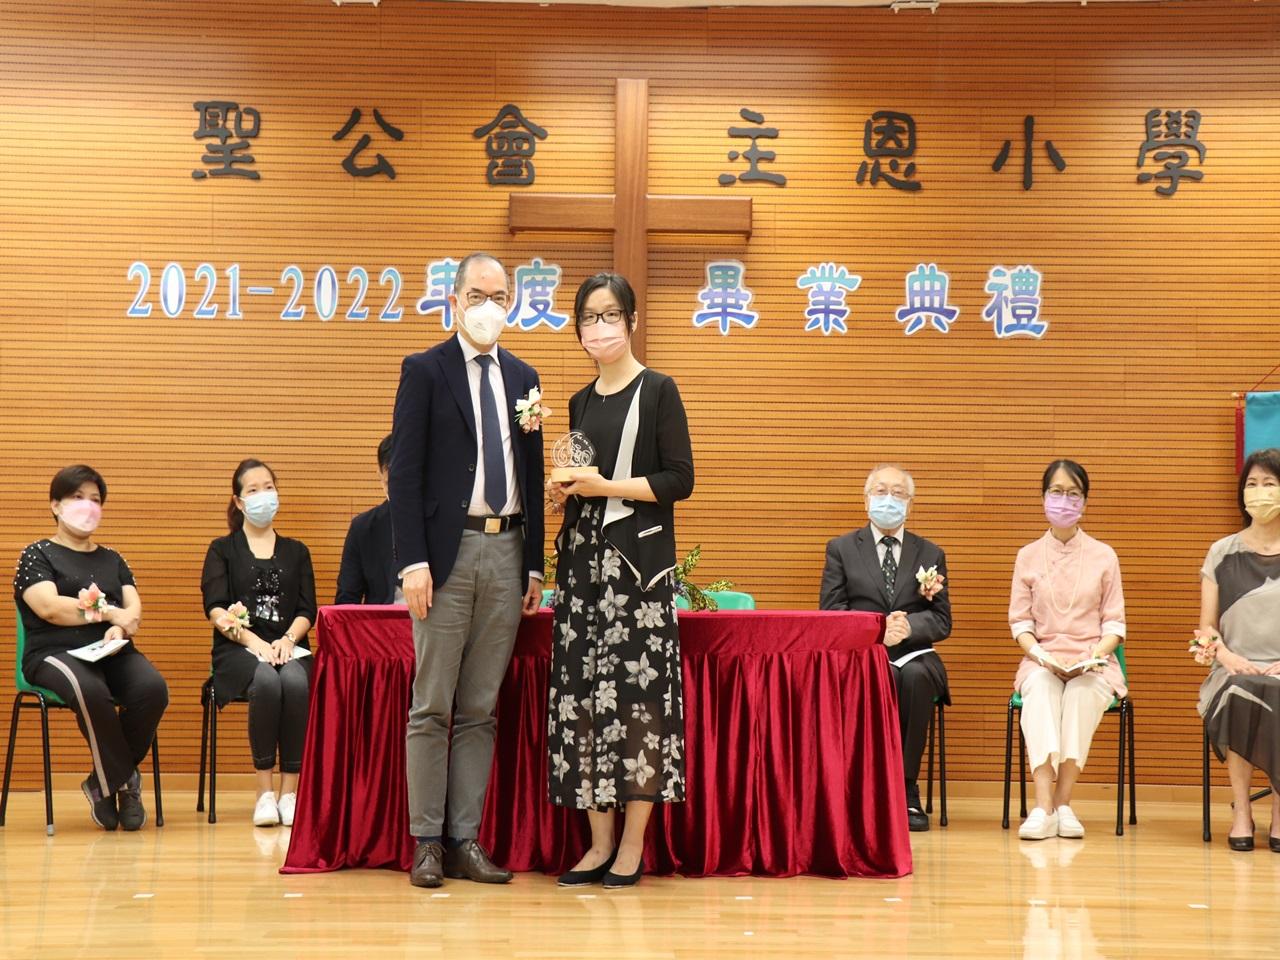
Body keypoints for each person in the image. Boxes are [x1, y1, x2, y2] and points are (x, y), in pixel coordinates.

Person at [389, 252, 545, 888]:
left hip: (507, 551)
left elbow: (532, 475)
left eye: (498, 297)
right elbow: (404, 473)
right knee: (432, 704)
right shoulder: (425, 370)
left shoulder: (525, 376)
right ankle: (426, 841)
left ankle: (464, 839)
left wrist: (535, 565)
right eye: (476, 296)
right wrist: (412, 562)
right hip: (444, 555)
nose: (488, 307)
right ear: (453, 302)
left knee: (481, 706)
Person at [546, 272, 694, 890]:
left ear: (632, 320)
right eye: (589, 317)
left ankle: (632, 845)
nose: (599, 327)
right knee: (582, 701)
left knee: (638, 702)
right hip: (583, 570)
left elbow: (679, 479)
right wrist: (565, 495)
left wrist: (604, 486)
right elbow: (583, 480)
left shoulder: (658, 389)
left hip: (637, 573)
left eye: (610, 315)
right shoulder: (580, 401)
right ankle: (598, 842)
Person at [13, 464, 168, 831]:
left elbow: (133, 609)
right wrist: (110, 613)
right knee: (90, 690)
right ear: (55, 505)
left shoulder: (113, 558)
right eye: (77, 497)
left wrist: (120, 625)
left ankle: (101, 782)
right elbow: (49, 607)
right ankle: (124, 783)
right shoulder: (36, 554)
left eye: (95, 499)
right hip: (53, 653)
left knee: (152, 689)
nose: (87, 505)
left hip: (110, 651)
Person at [819, 463, 951, 832]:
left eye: (898, 493)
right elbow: (830, 612)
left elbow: (942, 619)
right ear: (866, 500)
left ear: (910, 503)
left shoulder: (930, 552)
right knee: (885, 676)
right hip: (862, 653)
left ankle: (906, 788)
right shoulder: (841, 549)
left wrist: (908, 627)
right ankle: (868, 789)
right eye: (880, 491)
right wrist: (877, 630)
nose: (889, 499)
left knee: (916, 677)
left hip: (915, 652)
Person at [1009, 459, 1126, 841]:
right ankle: (1042, 807)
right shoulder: (1027, 555)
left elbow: (1114, 625)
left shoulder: (1104, 555)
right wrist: (1042, 657)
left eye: (1073, 494)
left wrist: (1091, 657)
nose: (1064, 500)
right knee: (1041, 692)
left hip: (1093, 660)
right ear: (1043, 497)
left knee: (1080, 695)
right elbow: (1021, 624)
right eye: (1056, 492)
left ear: (1084, 502)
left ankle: (1062, 803)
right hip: (1042, 659)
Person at [201, 459, 316, 828]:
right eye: (253, 490)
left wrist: (287, 639)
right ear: (239, 501)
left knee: (295, 681)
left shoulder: (297, 551)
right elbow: (216, 609)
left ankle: (290, 793)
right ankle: (264, 792)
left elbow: (307, 609)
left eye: (268, 487)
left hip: (290, 646)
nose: (263, 495)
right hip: (238, 649)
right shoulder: (222, 549)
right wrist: (254, 643)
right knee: (266, 679)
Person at [1194, 447, 1280, 851]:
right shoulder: (1221, 552)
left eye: (1270, 483)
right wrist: (1227, 657)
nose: (1260, 492)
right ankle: (1242, 810)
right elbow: (1206, 629)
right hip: (1232, 670)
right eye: (1252, 484)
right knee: (1240, 692)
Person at [336, 433, 400, 604]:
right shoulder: (363, 528)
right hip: (381, 620)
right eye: (389, 482)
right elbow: (347, 599)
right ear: (380, 475)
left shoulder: (442, 524)